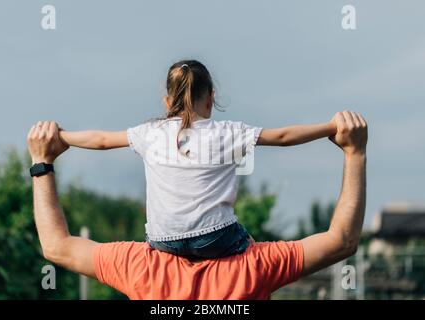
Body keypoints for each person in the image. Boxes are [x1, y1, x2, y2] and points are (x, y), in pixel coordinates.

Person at [27, 110, 367, 299]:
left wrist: (42, 164)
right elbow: (342, 241)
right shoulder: (253, 269)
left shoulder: (139, 268)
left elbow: (57, 247)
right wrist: (355, 153)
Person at [57, 60, 339, 259]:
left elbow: (102, 140)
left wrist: (63, 136)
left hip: (163, 240)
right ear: (211, 99)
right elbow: (282, 136)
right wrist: (331, 127)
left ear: (168, 102)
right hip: (215, 238)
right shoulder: (228, 132)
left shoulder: (150, 133)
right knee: (249, 245)